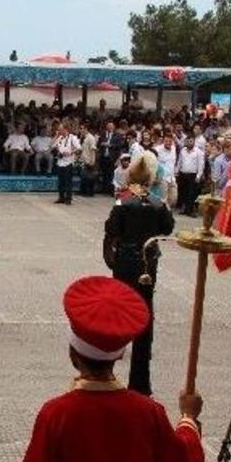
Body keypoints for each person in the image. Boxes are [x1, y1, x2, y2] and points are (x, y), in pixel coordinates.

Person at [0, 276, 204, 462]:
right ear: (118, 356)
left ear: (73, 355)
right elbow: (182, 460)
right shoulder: (146, 412)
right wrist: (188, 419)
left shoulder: (56, 414)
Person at [102, 151, 174, 395]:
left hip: (125, 259)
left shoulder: (123, 202)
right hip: (148, 260)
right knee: (146, 303)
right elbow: (168, 228)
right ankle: (145, 345)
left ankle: (118, 342)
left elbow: (112, 228)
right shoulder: (157, 203)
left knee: (121, 301)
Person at [176, 136, 205, 216]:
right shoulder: (183, 151)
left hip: (193, 175)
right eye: (187, 141)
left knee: (191, 194)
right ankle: (185, 209)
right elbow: (179, 162)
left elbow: (201, 164)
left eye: (191, 141)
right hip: (183, 174)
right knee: (184, 193)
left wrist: (199, 176)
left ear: (194, 142)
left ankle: (190, 210)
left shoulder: (198, 152)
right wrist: (177, 171)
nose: (189, 143)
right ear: (185, 142)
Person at [52, 124, 80, 204]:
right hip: (60, 162)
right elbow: (51, 145)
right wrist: (56, 135)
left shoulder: (72, 138)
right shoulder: (60, 138)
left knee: (68, 181)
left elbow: (79, 148)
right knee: (61, 181)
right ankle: (61, 197)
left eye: (60, 129)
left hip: (68, 162)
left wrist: (71, 152)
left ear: (65, 129)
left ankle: (68, 198)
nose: (59, 131)